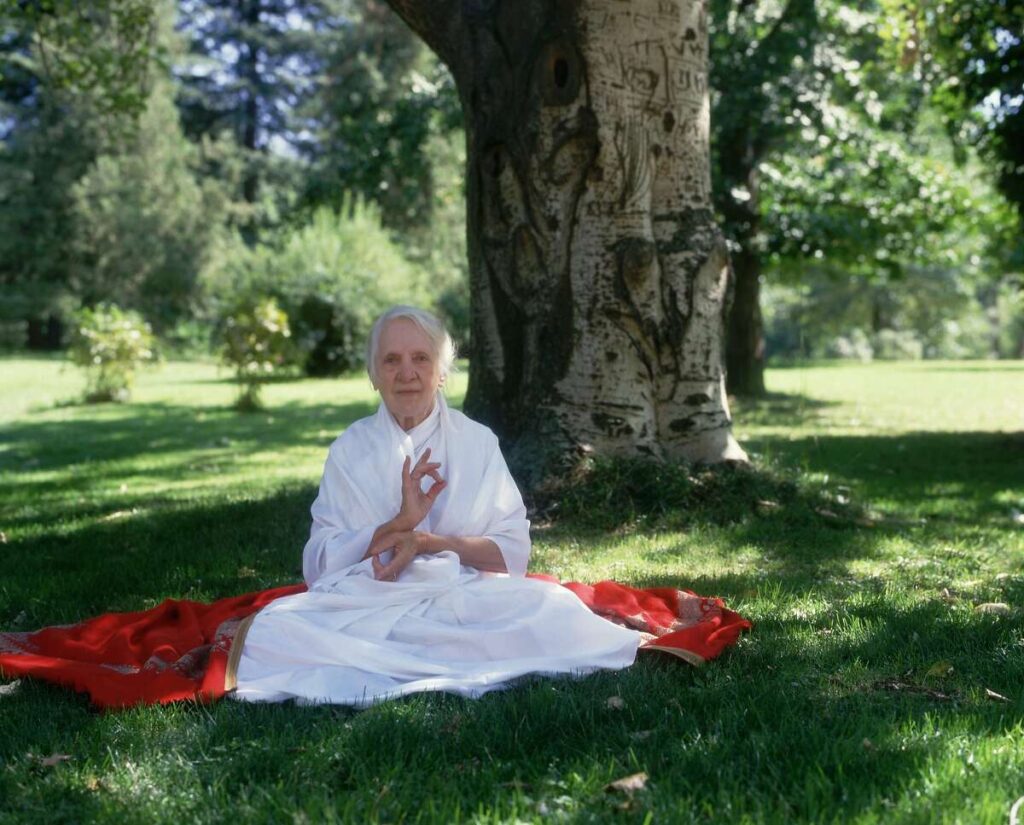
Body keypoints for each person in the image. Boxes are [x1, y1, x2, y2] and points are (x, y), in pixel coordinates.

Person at [230, 306, 642, 706]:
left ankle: (407, 657)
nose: (406, 373)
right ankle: (445, 655)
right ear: (374, 375)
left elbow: (510, 553)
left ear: (442, 372)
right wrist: (399, 522)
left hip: (465, 599)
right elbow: (319, 563)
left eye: (421, 358)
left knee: (551, 608)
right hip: (369, 603)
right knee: (273, 629)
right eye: (391, 360)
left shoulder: (476, 442)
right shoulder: (349, 449)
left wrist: (426, 541)